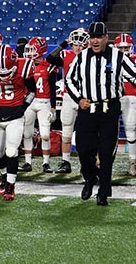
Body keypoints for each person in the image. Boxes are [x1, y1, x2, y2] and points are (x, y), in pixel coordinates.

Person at [66, 22, 136, 206]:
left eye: (99, 37)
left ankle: (103, 192)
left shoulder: (118, 56)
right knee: (84, 149)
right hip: (88, 108)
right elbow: (69, 80)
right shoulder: (81, 57)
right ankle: (90, 177)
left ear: (106, 38)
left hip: (109, 108)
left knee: (106, 151)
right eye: (92, 37)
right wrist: (78, 98)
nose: (95, 40)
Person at [0, 44, 35, 200]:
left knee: (11, 151)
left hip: (15, 116)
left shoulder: (24, 67)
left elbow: (32, 90)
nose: (4, 75)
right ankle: (4, 176)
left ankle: (11, 184)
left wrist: (23, 107)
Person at [46, 28, 89, 173]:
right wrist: (63, 44)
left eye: (80, 44)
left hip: (85, 97)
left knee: (86, 133)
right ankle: (66, 162)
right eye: (75, 44)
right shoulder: (65, 54)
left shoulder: (90, 56)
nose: (77, 47)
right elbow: (49, 58)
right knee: (66, 131)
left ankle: (86, 163)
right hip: (69, 97)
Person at [20, 36, 58, 173]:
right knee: (27, 132)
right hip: (29, 102)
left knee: (45, 134)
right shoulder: (24, 65)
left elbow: (53, 87)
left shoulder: (48, 66)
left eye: (33, 49)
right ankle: (27, 162)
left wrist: (53, 107)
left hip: (44, 102)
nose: (29, 52)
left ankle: (46, 163)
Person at [112, 33, 136, 176]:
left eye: (126, 48)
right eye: (121, 48)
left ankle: (132, 163)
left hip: (130, 97)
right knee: (110, 132)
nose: (124, 51)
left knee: (130, 131)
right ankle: (106, 162)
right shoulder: (110, 60)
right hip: (115, 98)